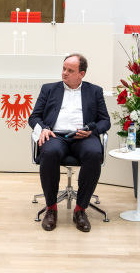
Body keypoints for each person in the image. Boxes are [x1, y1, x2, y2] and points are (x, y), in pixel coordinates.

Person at [28, 53, 111, 232]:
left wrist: (91, 131)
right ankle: (51, 209)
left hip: (83, 137)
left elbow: (106, 121)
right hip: (55, 135)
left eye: (70, 70)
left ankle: (80, 210)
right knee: (49, 153)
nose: (64, 73)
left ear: (82, 74)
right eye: (64, 69)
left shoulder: (95, 91)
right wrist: (43, 128)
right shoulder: (48, 89)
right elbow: (34, 117)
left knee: (94, 153)